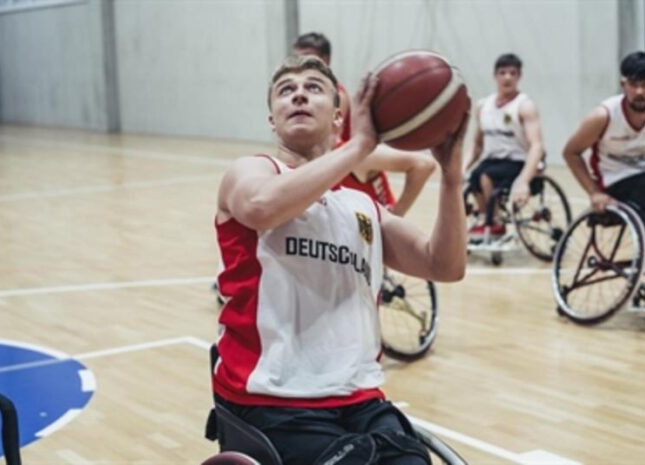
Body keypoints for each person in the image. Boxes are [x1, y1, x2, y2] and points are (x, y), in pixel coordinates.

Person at [213, 55, 468, 464]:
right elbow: (260, 207)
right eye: (285, 90)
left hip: (361, 401)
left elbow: (444, 265)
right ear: (272, 120)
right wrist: (361, 146)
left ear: (337, 117)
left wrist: (452, 178)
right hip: (273, 401)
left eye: (313, 87)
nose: (298, 92)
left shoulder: (361, 205)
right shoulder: (252, 171)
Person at [562, 50, 645, 303]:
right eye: (633, 84)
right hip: (618, 183)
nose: (639, 91)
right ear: (623, 85)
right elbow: (571, 152)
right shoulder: (604, 115)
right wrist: (594, 192)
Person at [293, 32, 437, 217]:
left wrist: (397, 213)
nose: (299, 64)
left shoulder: (339, 100)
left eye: (306, 57)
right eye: (295, 58)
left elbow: (424, 164)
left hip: (366, 199)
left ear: (324, 60)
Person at [462, 53, 545, 238]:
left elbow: (536, 146)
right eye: (503, 72)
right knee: (473, 177)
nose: (507, 77)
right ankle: (485, 218)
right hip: (494, 160)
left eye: (513, 73)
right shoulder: (483, 106)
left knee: (485, 175)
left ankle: (495, 222)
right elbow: (476, 145)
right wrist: (462, 167)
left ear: (519, 77)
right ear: (495, 76)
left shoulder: (525, 106)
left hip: (520, 161)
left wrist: (524, 180)